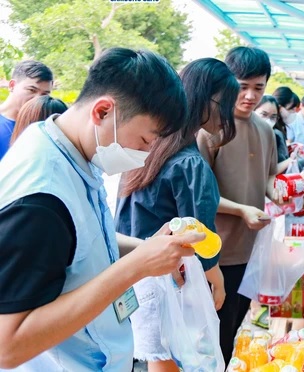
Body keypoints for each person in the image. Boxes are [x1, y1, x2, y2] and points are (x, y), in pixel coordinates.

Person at [0, 47, 201, 371]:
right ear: (103, 111)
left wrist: (150, 249)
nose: (147, 156)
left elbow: (83, 237)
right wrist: (135, 267)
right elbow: (7, 346)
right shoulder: (40, 200)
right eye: (145, 141)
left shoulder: (67, 148)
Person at [115, 58, 238, 372]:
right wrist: (217, 279)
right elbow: (199, 237)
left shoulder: (152, 147)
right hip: (167, 277)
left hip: (135, 271)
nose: (229, 114)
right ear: (206, 99)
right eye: (226, 103)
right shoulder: (189, 163)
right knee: (172, 357)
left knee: (158, 354)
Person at [197, 46, 278, 365]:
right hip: (215, 252)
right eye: (242, 86)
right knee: (211, 336)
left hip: (250, 250)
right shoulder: (210, 130)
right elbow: (200, 196)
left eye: (258, 87)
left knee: (232, 329)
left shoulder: (265, 129)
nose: (250, 95)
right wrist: (242, 210)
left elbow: (269, 176)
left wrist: (278, 193)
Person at [0, 60, 53, 160]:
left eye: (44, 94)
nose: (37, 99)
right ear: (12, 85)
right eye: (32, 90)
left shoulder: (46, 127)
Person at [254, 95, 304, 174]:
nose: (268, 120)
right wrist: (291, 159)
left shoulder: (275, 136)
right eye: (264, 114)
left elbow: (282, 170)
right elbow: (270, 171)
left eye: (273, 117)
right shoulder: (247, 137)